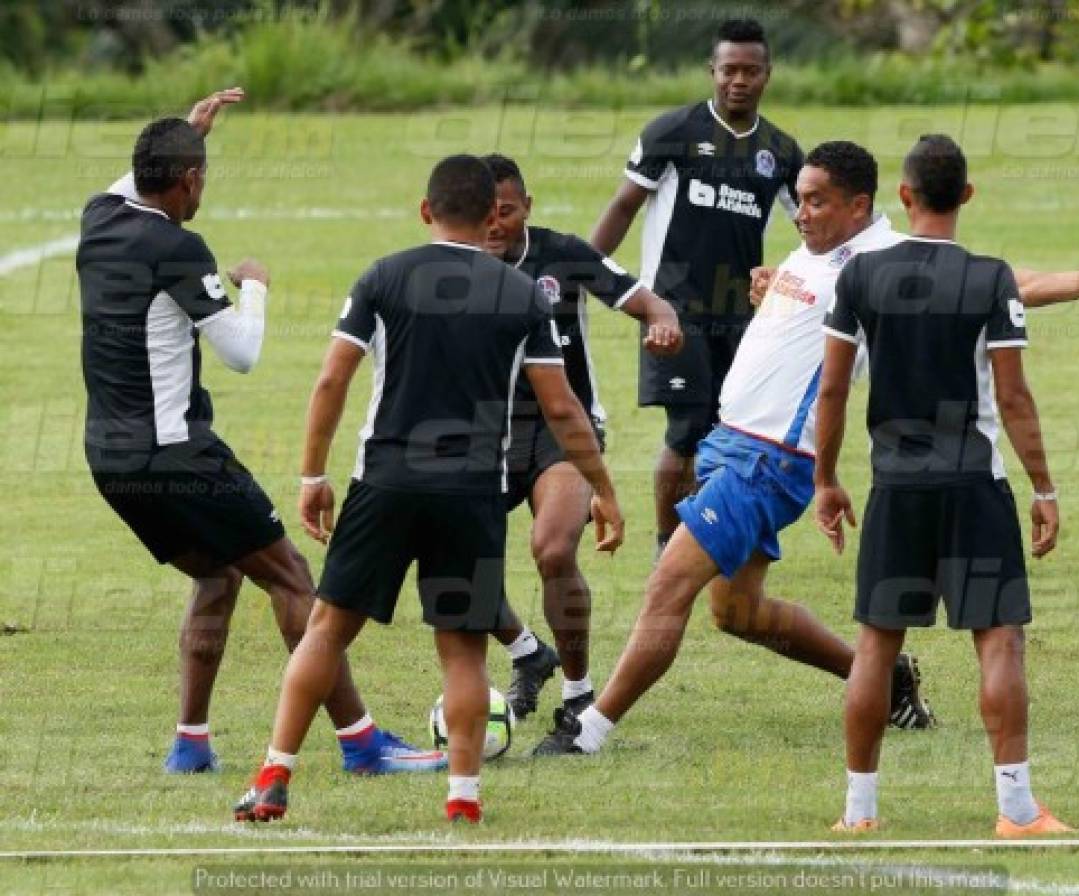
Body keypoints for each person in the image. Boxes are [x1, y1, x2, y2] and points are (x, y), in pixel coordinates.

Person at [532, 140, 1079, 758]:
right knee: (739, 613)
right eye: (799, 200)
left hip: (768, 459)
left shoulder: (883, 255)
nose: (802, 213)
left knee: (668, 584)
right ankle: (883, 677)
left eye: (817, 202)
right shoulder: (815, 248)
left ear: (860, 205)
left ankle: (589, 730)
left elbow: (999, 281)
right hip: (729, 442)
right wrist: (775, 287)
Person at [233, 155, 623, 825]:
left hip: (384, 482)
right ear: (492, 215)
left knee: (326, 632)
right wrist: (603, 488)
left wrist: (312, 476)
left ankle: (274, 773)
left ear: (425, 211)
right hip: (471, 494)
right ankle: (464, 798)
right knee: (463, 650)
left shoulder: (384, 276)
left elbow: (331, 381)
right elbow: (562, 409)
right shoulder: (522, 295)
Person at [78, 88, 441, 776]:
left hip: (110, 458)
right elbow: (241, 353)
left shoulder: (98, 217)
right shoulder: (178, 247)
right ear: (188, 181)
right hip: (177, 455)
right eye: (199, 175)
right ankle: (362, 744)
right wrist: (256, 286)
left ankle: (190, 744)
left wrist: (191, 133)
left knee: (218, 576)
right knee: (291, 577)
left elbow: (140, 178)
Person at [815, 134, 1074, 837]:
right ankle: (1017, 810)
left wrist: (826, 479)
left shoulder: (860, 278)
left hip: (894, 487)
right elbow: (1014, 401)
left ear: (904, 196)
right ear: (965, 195)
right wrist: (1044, 489)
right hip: (972, 485)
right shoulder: (992, 279)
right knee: (998, 642)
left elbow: (832, 391)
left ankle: (859, 812)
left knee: (877, 646)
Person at [590, 18, 804, 557]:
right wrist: (584, 270)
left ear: (767, 75)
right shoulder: (673, 132)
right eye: (728, 69)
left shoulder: (779, 150)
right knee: (686, 432)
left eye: (750, 71)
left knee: (727, 432)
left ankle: (708, 542)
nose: (738, 80)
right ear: (712, 71)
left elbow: (813, 228)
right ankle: (669, 548)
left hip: (743, 318)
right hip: (674, 311)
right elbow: (623, 206)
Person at [480, 153, 682, 720]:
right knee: (454, 561)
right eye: (484, 212)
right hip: (484, 430)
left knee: (553, 548)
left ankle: (577, 692)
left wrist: (662, 320)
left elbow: (643, 297)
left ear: (527, 208)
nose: (495, 224)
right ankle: (527, 654)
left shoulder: (561, 254)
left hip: (563, 428)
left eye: (507, 212)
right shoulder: (456, 267)